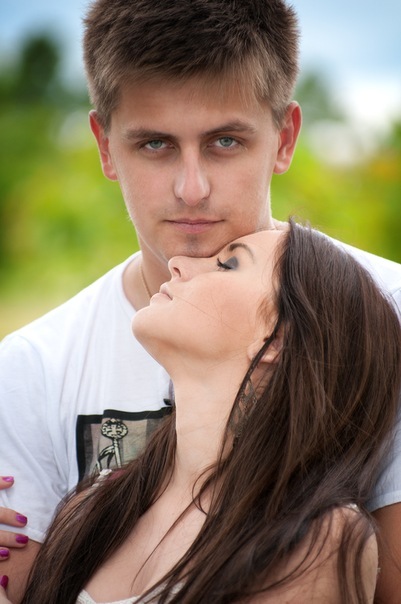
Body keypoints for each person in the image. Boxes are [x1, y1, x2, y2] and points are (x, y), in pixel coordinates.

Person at [0, 0, 401, 601]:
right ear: (105, 147)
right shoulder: (32, 367)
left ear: (285, 137)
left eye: (225, 141)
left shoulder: (386, 314)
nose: (192, 189)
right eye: (155, 145)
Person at [1, 221, 401, 603]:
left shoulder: (317, 537)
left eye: (228, 264)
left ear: (278, 338)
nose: (177, 263)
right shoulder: (92, 508)